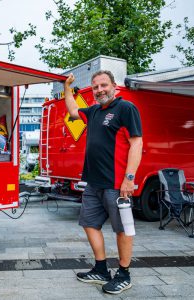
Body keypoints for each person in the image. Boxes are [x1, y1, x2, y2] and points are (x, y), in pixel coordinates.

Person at [64, 70, 143, 294]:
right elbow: (72, 110)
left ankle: (124, 274)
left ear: (114, 86)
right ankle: (101, 269)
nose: (99, 90)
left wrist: (129, 178)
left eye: (103, 85)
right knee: (89, 224)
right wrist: (67, 88)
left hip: (117, 184)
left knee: (122, 229)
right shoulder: (95, 111)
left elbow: (136, 143)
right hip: (93, 183)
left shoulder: (126, 108)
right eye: (96, 87)